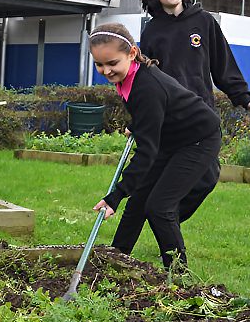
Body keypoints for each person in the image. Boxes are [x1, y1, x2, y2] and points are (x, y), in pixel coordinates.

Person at [111, 0, 250, 256]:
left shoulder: (204, 22)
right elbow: (142, 80)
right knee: (144, 188)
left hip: (198, 121)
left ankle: (165, 216)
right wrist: (139, 119)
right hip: (165, 120)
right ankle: (121, 249)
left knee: (207, 177)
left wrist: (244, 98)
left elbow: (223, 68)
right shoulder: (152, 32)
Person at [89, 23, 221, 270]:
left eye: (112, 63)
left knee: (159, 207)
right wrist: (139, 123)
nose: (106, 70)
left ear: (131, 53)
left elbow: (147, 151)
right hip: (171, 138)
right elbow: (155, 111)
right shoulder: (130, 75)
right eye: (99, 64)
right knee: (138, 201)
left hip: (198, 139)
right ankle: (116, 260)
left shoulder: (147, 85)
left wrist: (115, 196)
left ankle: (178, 276)